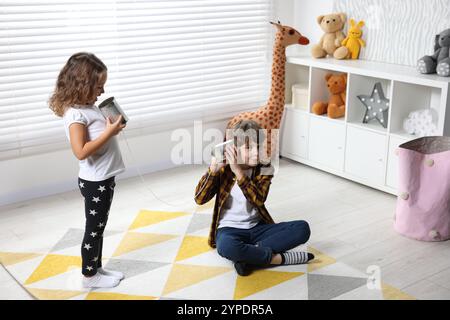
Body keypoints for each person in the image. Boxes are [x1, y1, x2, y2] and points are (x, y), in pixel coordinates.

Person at [194, 120, 314, 276]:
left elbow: (258, 200)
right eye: (249, 148)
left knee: (302, 229)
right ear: (235, 149)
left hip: (258, 228)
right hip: (230, 230)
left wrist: (239, 172)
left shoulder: (265, 167)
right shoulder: (223, 169)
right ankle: (277, 259)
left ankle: (246, 258)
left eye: (259, 146)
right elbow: (199, 199)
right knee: (226, 246)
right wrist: (212, 171)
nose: (256, 153)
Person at [49, 52, 125, 288]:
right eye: (98, 86)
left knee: (99, 228)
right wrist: (108, 133)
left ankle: (96, 268)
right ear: (82, 85)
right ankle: (89, 276)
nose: (102, 92)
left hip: (104, 177)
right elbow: (81, 151)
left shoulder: (89, 106)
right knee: (94, 230)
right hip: (95, 182)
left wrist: (111, 125)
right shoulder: (75, 114)